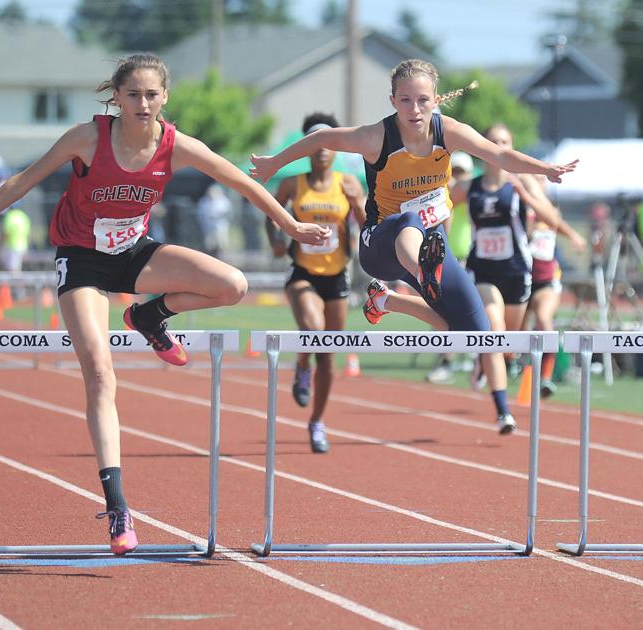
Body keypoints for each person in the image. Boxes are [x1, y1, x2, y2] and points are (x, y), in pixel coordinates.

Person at [0, 53, 329, 555]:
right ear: (115, 96)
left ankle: (150, 314)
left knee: (232, 284)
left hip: (134, 255)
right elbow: (20, 183)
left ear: (165, 98)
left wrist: (292, 227)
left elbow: (242, 183)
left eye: (151, 94)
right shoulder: (87, 139)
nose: (142, 103)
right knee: (100, 373)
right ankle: (117, 506)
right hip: (83, 262)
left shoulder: (176, 145)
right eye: (132, 94)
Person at [250, 58, 577, 434]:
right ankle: (425, 274)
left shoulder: (449, 132)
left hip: (428, 246)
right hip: (381, 244)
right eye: (405, 100)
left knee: (476, 334)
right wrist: (275, 163)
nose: (414, 109)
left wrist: (545, 168)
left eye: (422, 100)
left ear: (436, 101)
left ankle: (388, 301)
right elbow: (323, 138)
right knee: (409, 219)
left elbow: (500, 155)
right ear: (393, 101)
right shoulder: (377, 137)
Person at [264, 112, 366, 453]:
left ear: (335, 147)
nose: (322, 150)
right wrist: (276, 241)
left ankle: (317, 421)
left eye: (328, 142)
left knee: (328, 354)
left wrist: (360, 208)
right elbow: (271, 212)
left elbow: (367, 225)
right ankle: (302, 365)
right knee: (313, 328)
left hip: (337, 275)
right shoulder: (293, 184)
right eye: (315, 142)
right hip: (302, 272)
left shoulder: (348, 183)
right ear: (307, 147)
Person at [459, 123, 562, 391]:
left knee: (509, 339)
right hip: (482, 269)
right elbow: (438, 202)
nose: (499, 148)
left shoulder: (523, 180)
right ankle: (496, 391)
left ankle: (496, 360)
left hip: (516, 269)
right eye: (493, 141)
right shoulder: (470, 187)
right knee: (495, 327)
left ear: (511, 147)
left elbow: (552, 219)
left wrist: (527, 196)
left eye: (504, 142)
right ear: (483, 147)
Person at [523, 205, 587, 397]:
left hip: (547, 282)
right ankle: (511, 364)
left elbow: (558, 223)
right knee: (517, 331)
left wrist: (574, 236)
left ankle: (546, 378)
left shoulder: (552, 213)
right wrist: (530, 225)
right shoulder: (521, 210)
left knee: (544, 320)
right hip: (521, 281)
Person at [425, 150, 474, 384]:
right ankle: (446, 359)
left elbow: (461, 189)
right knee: (444, 310)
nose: (458, 177)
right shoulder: (441, 193)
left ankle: (479, 360)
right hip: (445, 259)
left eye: (463, 172)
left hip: (469, 258)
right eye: (454, 171)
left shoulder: (470, 192)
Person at [0, 206, 32, 273]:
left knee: (12, 271)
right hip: (22, 246)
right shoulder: (23, 216)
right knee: (17, 269)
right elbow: (28, 233)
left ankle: (16, 283)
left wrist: (0, 246)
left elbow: (5, 233)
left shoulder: (9, 216)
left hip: (11, 247)